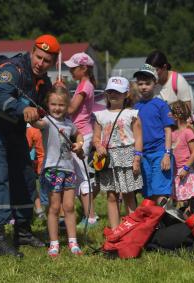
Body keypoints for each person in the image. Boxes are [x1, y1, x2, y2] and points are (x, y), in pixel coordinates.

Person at [0, 34, 60, 257]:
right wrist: (23, 109)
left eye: (47, 60)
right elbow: (1, 98)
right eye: (38, 57)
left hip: (12, 125)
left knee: (25, 173)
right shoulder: (12, 69)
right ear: (32, 51)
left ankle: (23, 231)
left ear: (54, 62)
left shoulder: (44, 81)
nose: (40, 63)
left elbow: (43, 109)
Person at [31, 86, 84, 257]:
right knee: (54, 207)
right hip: (52, 169)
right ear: (48, 104)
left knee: (69, 206)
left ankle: (72, 241)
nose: (57, 108)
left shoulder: (69, 124)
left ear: (67, 105)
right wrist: (32, 115)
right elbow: (36, 123)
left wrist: (79, 144)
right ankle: (54, 243)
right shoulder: (46, 121)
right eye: (53, 104)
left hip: (69, 170)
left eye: (61, 105)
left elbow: (79, 134)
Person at [92, 76, 143, 229]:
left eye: (118, 92)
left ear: (126, 94)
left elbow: (139, 139)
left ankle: (132, 228)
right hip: (108, 159)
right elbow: (96, 137)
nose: (113, 95)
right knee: (111, 195)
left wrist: (137, 159)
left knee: (128, 194)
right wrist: (98, 146)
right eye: (110, 91)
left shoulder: (132, 114)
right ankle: (115, 230)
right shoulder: (101, 115)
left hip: (127, 156)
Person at [64, 52, 98, 228]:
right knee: (79, 173)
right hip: (80, 132)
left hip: (82, 134)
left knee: (82, 174)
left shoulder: (85, 86)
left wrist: (60, 93)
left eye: (73, 67)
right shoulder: (83, 85)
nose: (70, 70)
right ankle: (88, 214)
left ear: (83, 68)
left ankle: (90, 216)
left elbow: (70, 109)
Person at [134, 64, 174, 205]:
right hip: (143, 155)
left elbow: (168, 130)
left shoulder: (161, 105)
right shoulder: (135, 108)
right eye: (140, 84)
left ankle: (166, 222)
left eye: (147, 83)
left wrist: (167, 154)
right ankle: (154, 224)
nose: (143, 87)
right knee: (148, 193)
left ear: (154, 83)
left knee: (160, 192)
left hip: (159, 153)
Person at [170, 101, 194, 206]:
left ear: (175, 116)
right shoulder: (172, 133)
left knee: (188, 201)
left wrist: (186, 168)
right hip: (175, 171)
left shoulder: (188, 132)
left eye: (170, 114)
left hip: (186, 171)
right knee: (177, 199)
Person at [26, 124, 47, 219]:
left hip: (43, 166)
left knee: (46, 197)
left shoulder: (31, 129)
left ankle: (50, 218)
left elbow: (26, 147)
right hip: (56, 165)